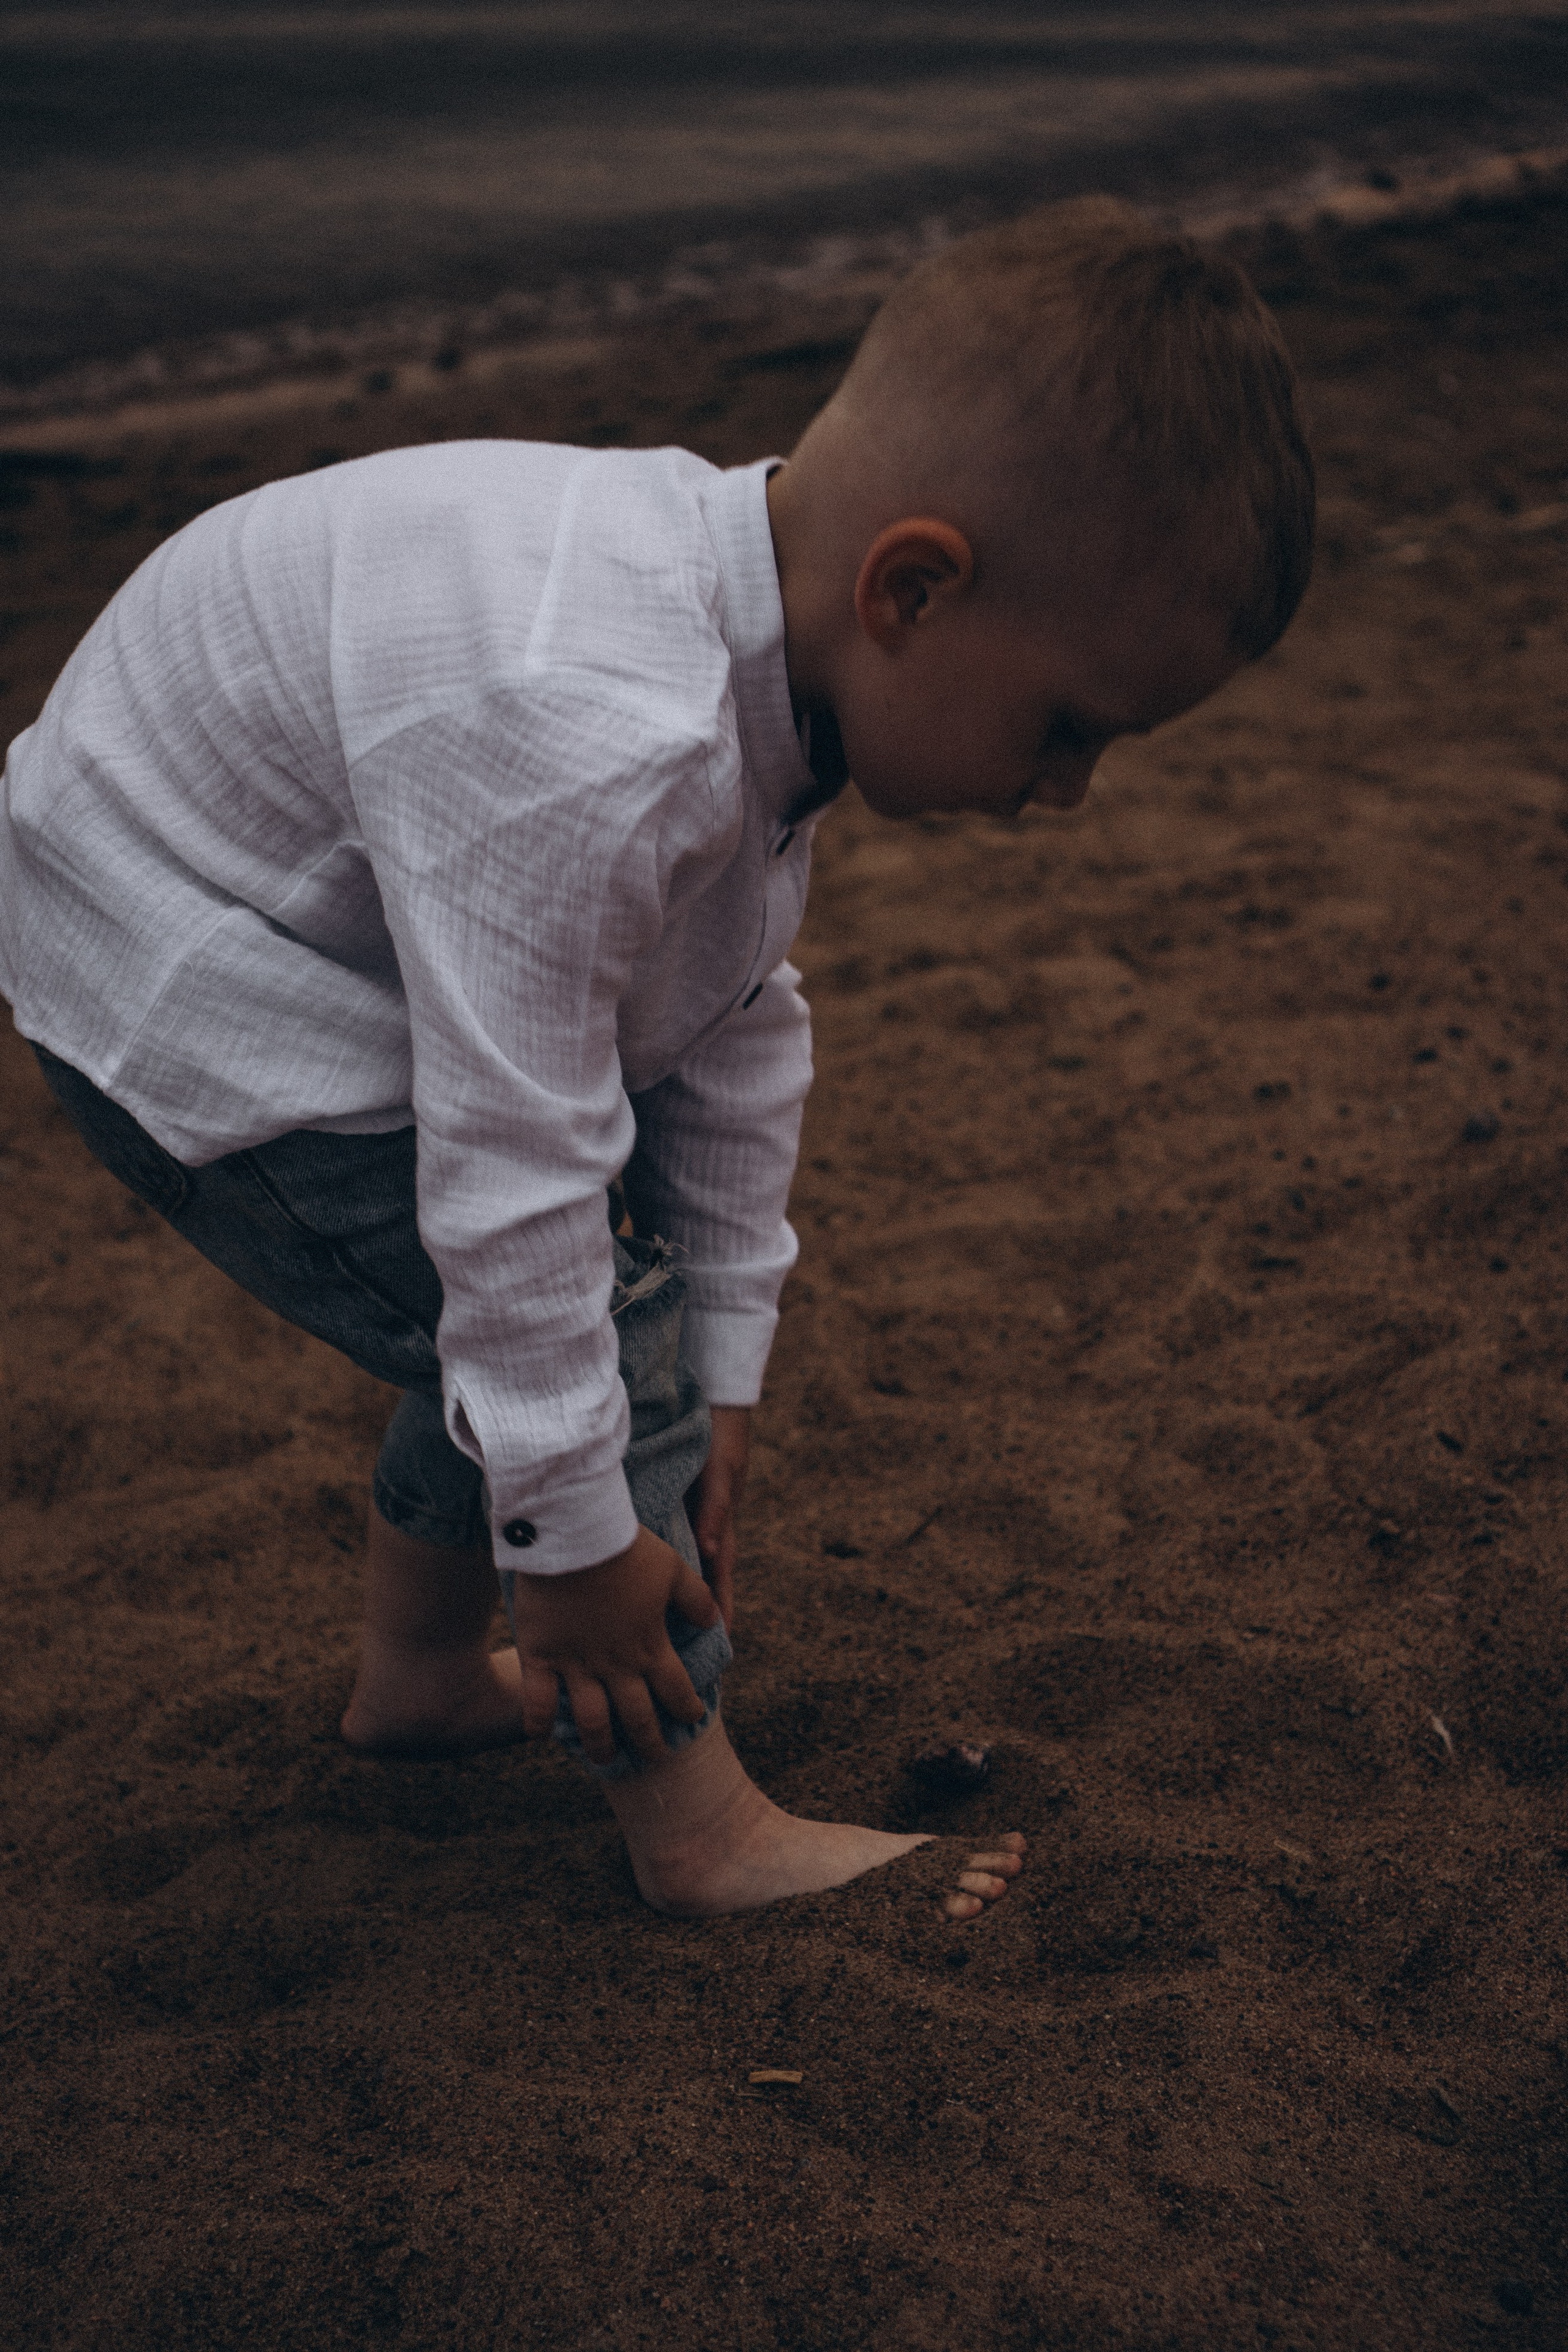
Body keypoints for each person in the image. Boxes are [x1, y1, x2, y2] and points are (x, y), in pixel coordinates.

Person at [0, 197, 1313, 1920]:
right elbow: (512, 1163)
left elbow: (737, 1029)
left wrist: (730, 1380)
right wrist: (578, 1534)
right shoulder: (593, 737)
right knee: (570, 1310)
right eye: (1070, 728)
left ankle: (412, 1685)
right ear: (912, 587)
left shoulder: (756, 664)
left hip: (305, 914)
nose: (1065, 794)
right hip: (168, 947)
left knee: (594, 1310)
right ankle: (696, 1831)